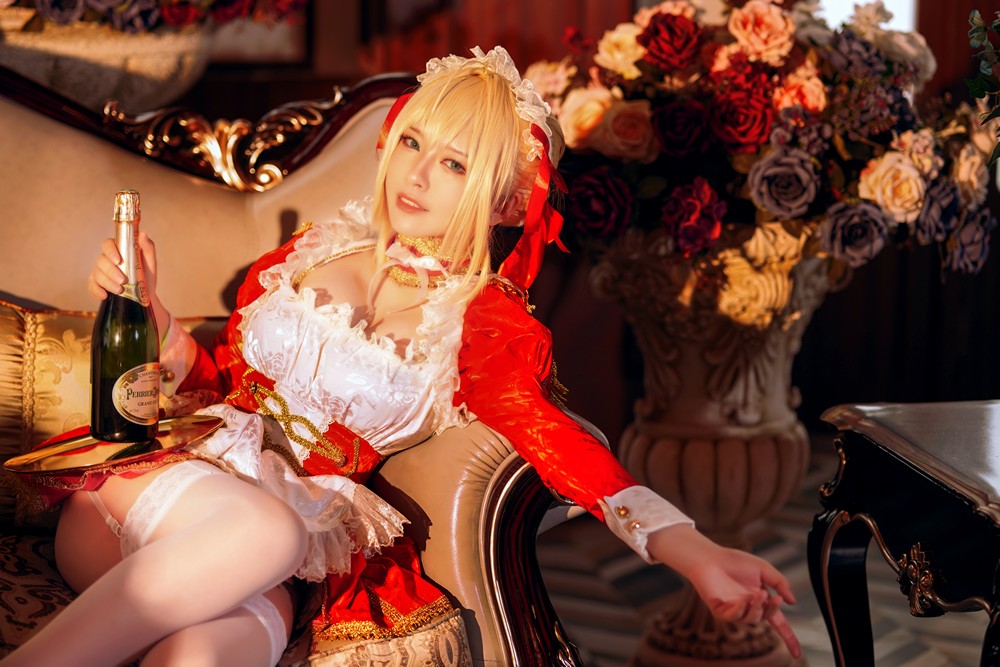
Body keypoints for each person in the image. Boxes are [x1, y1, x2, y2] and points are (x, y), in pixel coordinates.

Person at [0, 46, 801, 666]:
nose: (416, 173)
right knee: (267, 532)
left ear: (507, 200)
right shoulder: (310, 252)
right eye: (413, 140)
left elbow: (561, 445)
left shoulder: (480, 326)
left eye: (453, 162)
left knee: (212, 651)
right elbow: (223, 389)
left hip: (259, 566)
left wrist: (695, 552)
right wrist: (155, 319)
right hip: (139, 504)